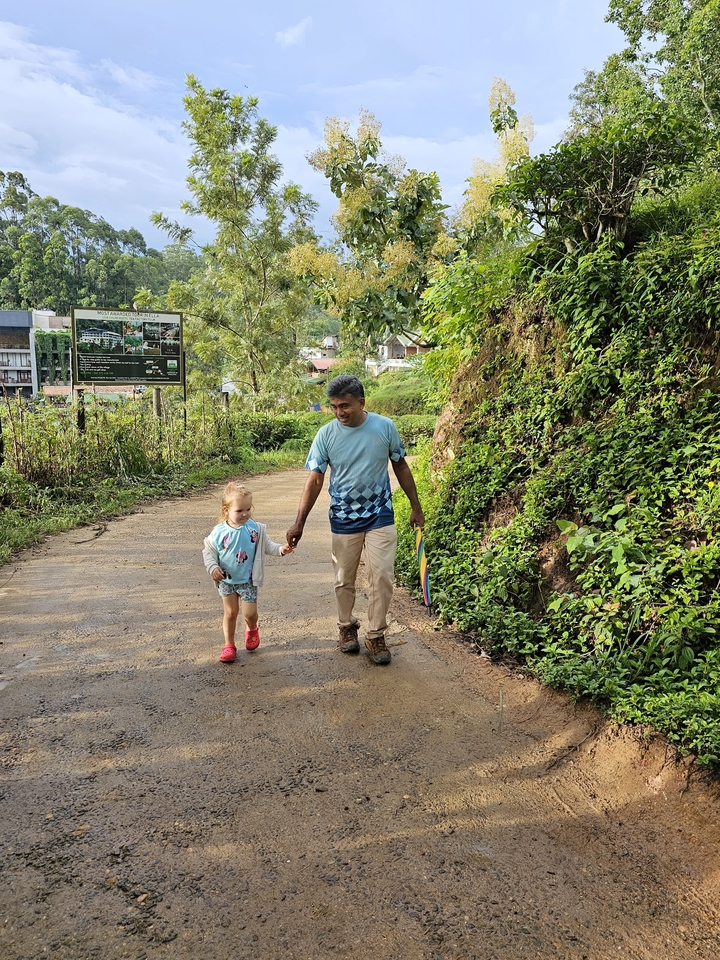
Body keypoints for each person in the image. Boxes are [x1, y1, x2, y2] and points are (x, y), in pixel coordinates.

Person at [286, 374, 424, 665]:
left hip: (380, 515)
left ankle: (376, 635)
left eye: (345, 405)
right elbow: (314, 481)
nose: (339, 412)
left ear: (362, 402)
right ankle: (346, 627)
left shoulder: (384, 427)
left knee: (382, 576)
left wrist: (415, 506)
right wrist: (300, 522)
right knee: (343, 579)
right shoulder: (326, 435)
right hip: (343, 517)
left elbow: (400, 466)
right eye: (334, 406)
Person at [203, 481, 293, 663]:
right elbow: (208, 552)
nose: (244, 514)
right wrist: (213, 568)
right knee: (230, 613)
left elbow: (267, 546)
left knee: (249, 613)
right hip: (227, 581)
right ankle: (229, 645)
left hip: (248, 581)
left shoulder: (255, 528)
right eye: (239, 511)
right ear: (226, 511)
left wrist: (281, 550)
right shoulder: (218, 532)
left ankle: (251, 628)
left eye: (247, 509)